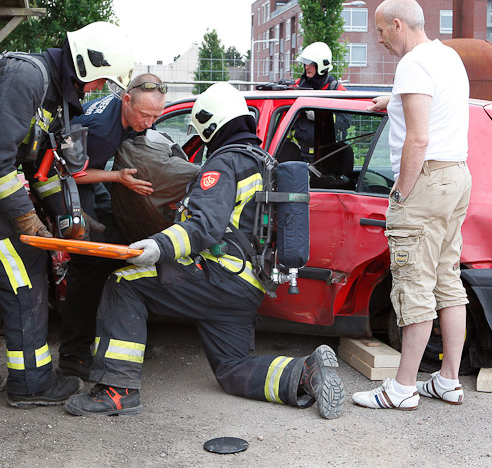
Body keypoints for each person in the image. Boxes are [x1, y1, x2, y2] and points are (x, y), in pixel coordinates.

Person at [63, 82, 346, 419]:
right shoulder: (263, 161)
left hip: (218, 276)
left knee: (125, 282)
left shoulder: (224, 163)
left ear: (213, 125)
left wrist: (158, 245)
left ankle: (116, 391)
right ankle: (305, 372)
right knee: (233, 369)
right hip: (248, 287)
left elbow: (204, 227)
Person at [0, 22, 134, 407]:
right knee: (25, 269)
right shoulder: (26, 77)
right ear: (87, 65)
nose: (97, 90)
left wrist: (71, 218)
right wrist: (27, 220)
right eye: (100, 80)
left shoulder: (51, 94)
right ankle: (31, 384)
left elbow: (40, 169)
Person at [352, 0, 472, 410]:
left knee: (413, 285)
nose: (380, 40)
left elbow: (418, 139)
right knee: (446, 279)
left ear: (398, 25)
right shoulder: (446, 57)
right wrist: (393, 99)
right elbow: (430, 102)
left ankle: (401, 389)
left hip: (426, 182)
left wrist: (401, 192)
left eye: (382, 32)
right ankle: (448, 380)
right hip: (457, 175)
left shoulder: (413, 65)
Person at [57, 74, 167, 380]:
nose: (149, 123)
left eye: (156, 116)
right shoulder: (102, 131)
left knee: (122, 248)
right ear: (126, 100)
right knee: (90, 261)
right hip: (63, 183)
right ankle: (72, 355)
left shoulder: (136, 117)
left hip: (92, 180)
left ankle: (111, 338)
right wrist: (118, 178)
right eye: (145, 115)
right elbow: (70, 174)